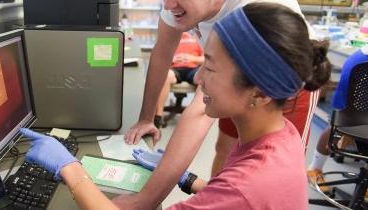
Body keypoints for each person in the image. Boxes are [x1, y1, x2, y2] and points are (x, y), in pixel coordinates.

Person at [20, 3, 331, 209]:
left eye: (209, 66)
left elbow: (241, 194)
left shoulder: (245, 188)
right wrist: (190, 180)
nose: (196, 76)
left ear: (259, 92)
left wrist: (70, 169)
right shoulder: (277, 135)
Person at [118, 0, 320, 209]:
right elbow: (162, 52)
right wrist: (146, 118)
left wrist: (145, 199)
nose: (168, 6)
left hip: (285, 83)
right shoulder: (181, 6)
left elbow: (199, 113)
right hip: (234, 80)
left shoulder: (252, 12)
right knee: (226, 152)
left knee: (267, 172)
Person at [306, 47, 368, 193]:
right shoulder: (361, 59)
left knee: (334, 127)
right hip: (351, 115)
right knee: (337, 127)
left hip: (346, 114)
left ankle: (315, 168)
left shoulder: (358, 55)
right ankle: (314, 169)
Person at [155, 32, 204, 128]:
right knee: (166, 76)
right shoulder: (171, 37)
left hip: (193, 68)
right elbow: (160, 57)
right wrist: (171, 59)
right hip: (175, 68)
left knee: (203, 78)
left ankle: (196, 116)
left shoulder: (198, 37)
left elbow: (206, 58)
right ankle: (158, 117)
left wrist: (192, 58)